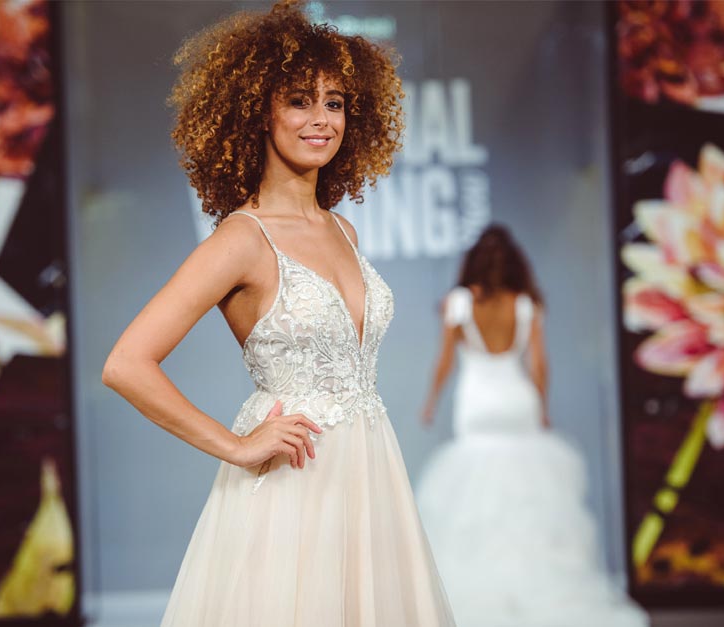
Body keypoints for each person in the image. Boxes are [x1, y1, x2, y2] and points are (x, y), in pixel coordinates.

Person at [101, 2, 455, 626]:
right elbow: (127, 364)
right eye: (299, 100)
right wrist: (236, 446)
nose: (322, 119)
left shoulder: (341, 228)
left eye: (336, 102)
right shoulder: (242, 240)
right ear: (257, 111)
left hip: (370, 477)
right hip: (294, 484)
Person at [417, 225, 648, 627]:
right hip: (516, 400)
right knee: (531, 501)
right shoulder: (524, 304)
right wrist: (542, 407)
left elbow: (445, 362)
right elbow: (538, 365)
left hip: (478, 405)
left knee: (477, 499)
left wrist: (431, 403)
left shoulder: (458, 303)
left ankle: (480, 590)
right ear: (514, 264)